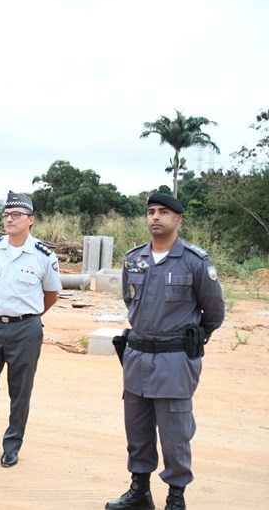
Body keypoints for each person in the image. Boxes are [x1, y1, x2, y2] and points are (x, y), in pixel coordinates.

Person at [106, 193, 225, 510]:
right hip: (136, 357)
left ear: (178, 220)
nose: (155, 217)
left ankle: (175, 498)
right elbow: (130, 302)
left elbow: (214, 313)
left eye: (163, 212)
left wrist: (188, 340)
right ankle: (139, 492)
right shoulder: (134, 260)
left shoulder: (195, 262)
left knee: (175, 433)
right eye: (151, 212)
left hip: (174, 360)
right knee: (138, 430)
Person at [0, 191, 62, 467]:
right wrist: (2, 309)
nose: (9, 219)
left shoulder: (43, 254)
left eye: (16, 215)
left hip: (25, 330)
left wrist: (27, 316)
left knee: (20, 389)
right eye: (6, 215)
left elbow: (51, 295)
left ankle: (12, 445)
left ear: (31, 220)